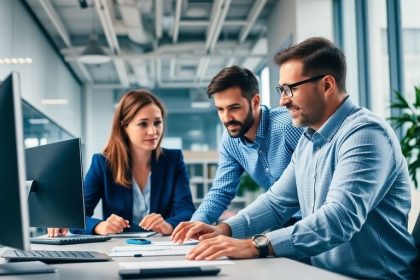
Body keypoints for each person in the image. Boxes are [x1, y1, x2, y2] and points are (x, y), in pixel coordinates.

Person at [171, 37, 418, 279]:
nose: (282, 100)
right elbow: (277, 201)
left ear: (327, 85)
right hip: (323, 273)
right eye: (281, 90)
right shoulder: (309, 140)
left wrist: (257, 244)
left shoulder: (365, 134)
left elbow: (339, 219)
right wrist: (224, 229)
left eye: (290, 89)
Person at [48, 89, 195, 237]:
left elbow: (187, 211)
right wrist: (100, 226)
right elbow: (76, 216)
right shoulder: (102, 164)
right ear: (124, 127)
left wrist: (168, 225)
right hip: (118, 246)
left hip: (163, 245)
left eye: (157, 123)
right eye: (143, 124)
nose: (153, 131)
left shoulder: (173, 160)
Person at [191, 65, 303, 224]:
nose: (226, 118)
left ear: (255, 101)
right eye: (220, 109)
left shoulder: (288, 127)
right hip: (281, 222)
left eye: (234, 108)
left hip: (312, 220)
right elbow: (221, 191)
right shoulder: (230, 141)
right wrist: (195, 224)